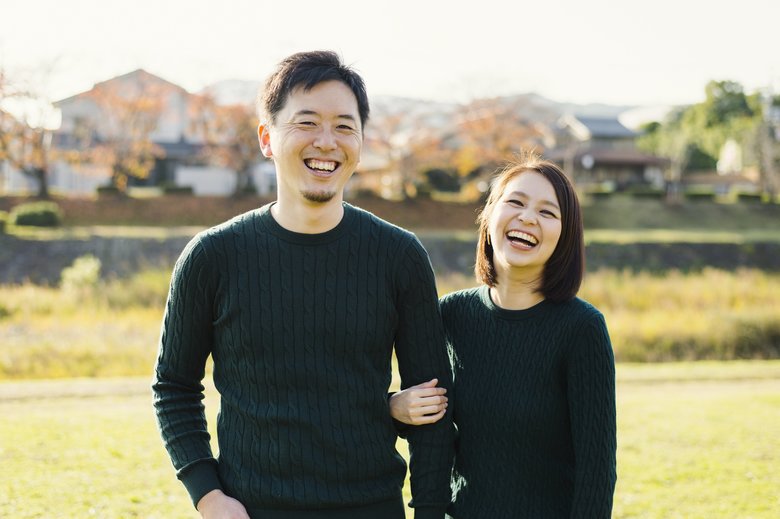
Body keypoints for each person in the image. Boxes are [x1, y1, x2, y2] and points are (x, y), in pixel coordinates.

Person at [153, 50, 454, 519]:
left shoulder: (399, 256)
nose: (327, 142)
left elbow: (433, 401)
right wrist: (208, 495)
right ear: (266, 138)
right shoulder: (212, 256)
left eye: (344, 126)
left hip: (371, 506)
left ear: (360, 141)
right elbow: (173, 385)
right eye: (307, 122)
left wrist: (431, 511)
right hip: (252, 508)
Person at [390, 154, 617, 518]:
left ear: (565, 235)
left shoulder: (581, 328)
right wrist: (394, 408)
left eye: (548, 212)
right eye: (515, 202)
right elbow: (426, 420)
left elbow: (597, 472)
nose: (527, 217)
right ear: (490, 214)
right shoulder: (449, 315)